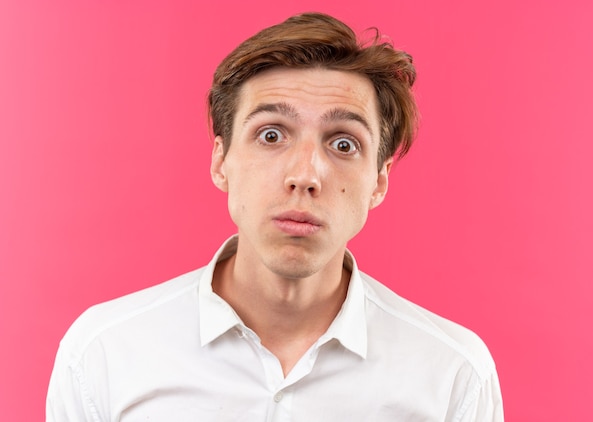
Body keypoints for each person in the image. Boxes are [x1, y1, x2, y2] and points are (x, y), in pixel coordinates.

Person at [47, 12, 504, 421]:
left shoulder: (453, 375)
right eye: (271, 134)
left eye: (343, 143)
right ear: (220, 161)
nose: (304, 175)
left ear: (379, 181)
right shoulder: (103, 353)